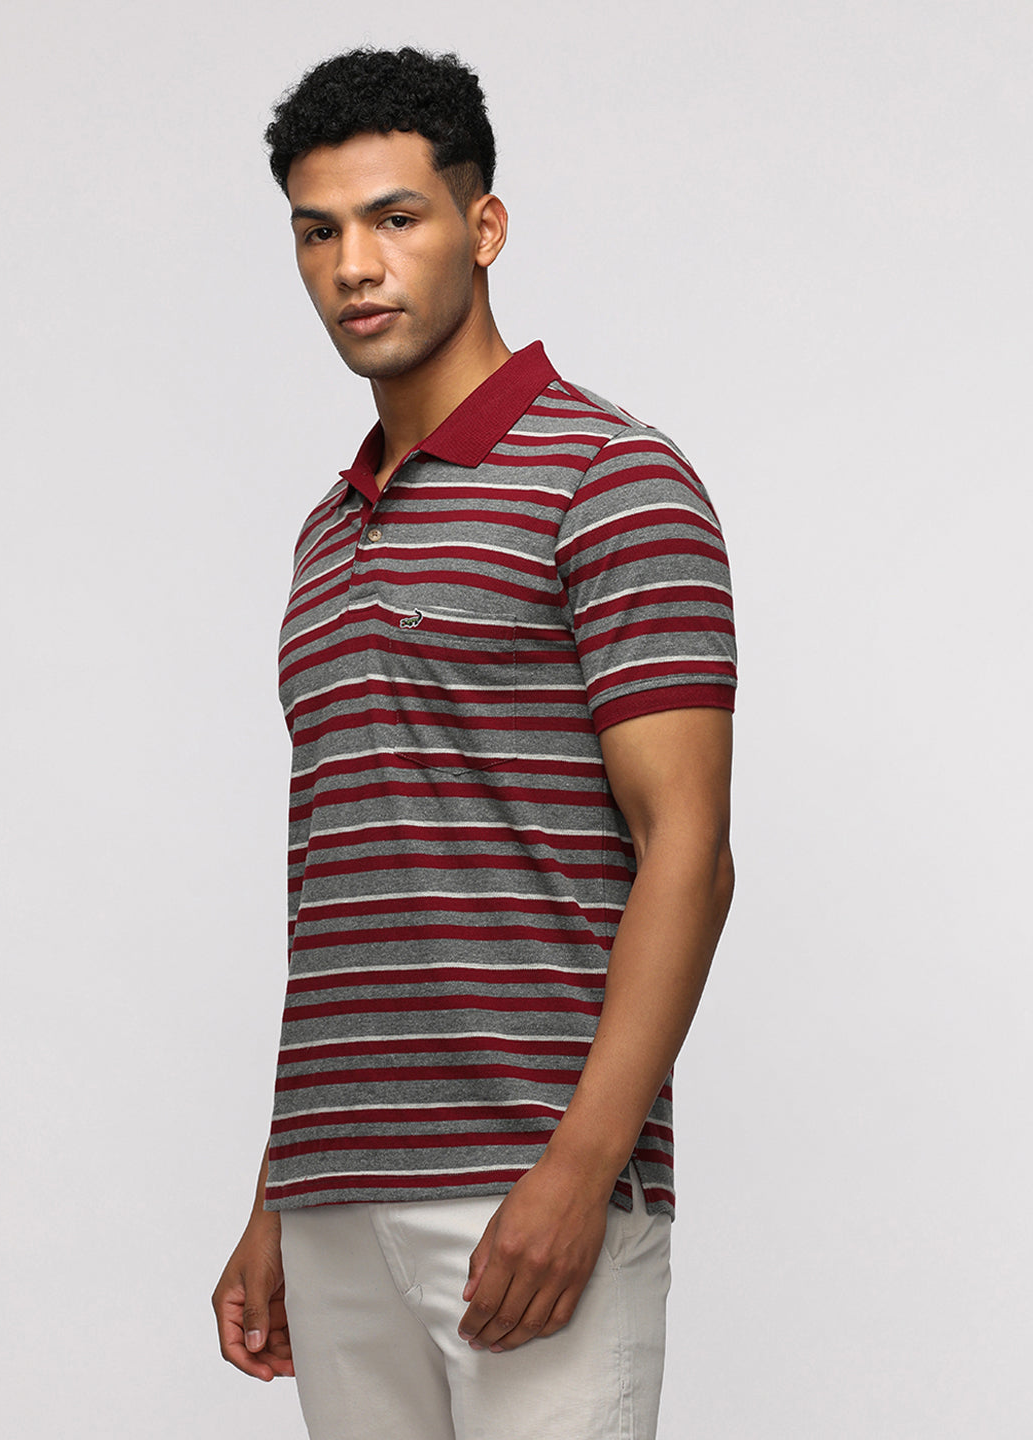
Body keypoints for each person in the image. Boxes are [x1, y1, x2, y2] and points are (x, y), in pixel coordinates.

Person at [212, 45, 737, 1440]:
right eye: (318, 232)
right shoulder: (328, 536)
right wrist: (277, 1195)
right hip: (334, 1194)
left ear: (483, 225)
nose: (354, 266)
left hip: (527, 1183)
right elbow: (338, 882)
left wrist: (581, 1170)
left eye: (396, 217)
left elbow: (689, 849)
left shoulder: (613, 479)